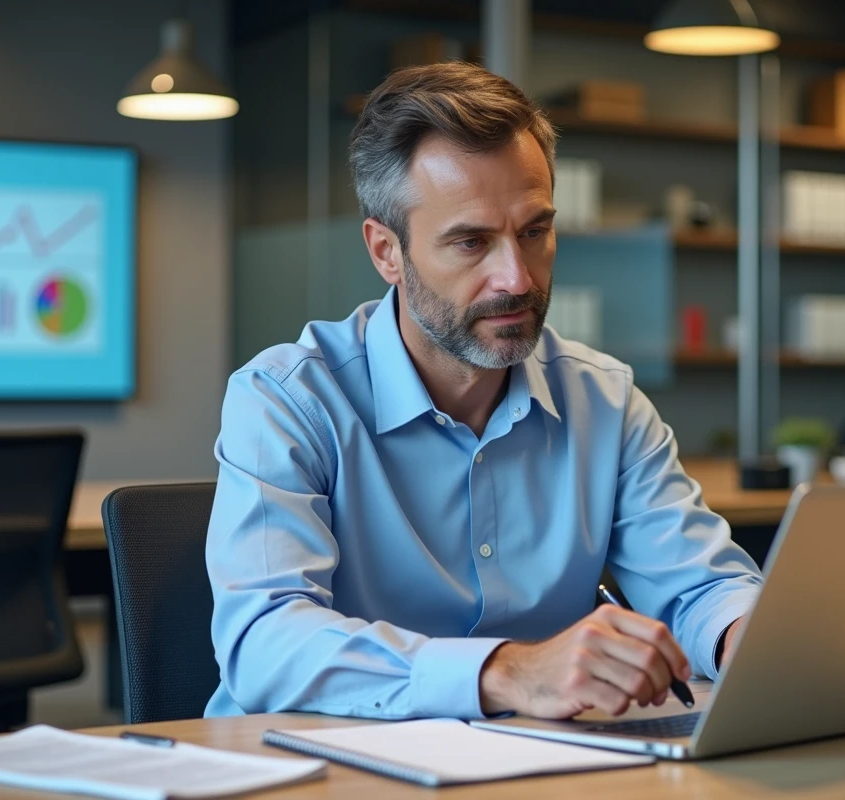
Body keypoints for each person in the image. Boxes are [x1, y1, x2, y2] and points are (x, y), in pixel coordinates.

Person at [205, 61, 762, 721]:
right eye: (472, 242)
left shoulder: (604, 401)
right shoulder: (288, 399)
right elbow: (264, 642)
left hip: (537, 765)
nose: (516, 278)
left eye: (535, 231)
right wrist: (508, 672)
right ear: (387, 251)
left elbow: (701, 585)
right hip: (322, 770)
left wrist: (747, 636)